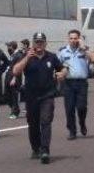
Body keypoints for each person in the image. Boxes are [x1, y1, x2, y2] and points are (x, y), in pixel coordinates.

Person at [13, 32, 67, 164]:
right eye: (37, 42)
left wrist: (62, 74)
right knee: (33, 124)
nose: (39, 44)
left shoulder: (51, 57)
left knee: (46, 121)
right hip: (31, 97)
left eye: (41, 42)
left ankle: (45, 150)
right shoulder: (26, 57)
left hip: (47, 95)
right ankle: (35, 148)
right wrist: (26, 58)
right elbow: (15, 71)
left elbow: (63, 69)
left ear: (45, 43)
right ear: (33, 43)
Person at [58, 29, 94, 140]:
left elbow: (93, 58)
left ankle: (82, 123)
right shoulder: (63, 51)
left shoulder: (84, 50)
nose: (73, 40)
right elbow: (57, 65)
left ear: (79, 39)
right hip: (68, 83)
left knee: (81, 107)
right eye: (71, 38)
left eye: (75, 38)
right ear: (68, 39)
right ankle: (72, 131)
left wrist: (83, 47)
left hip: (81, 83)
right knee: (69, 109)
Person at [5, 41, 24, 119]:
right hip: (8, 77)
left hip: (14, 78)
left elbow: (18, 68)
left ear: (12, 47)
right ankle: (14, 109)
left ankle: (15, 112)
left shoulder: (18, 56)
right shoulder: (12, 55)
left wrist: (14, 78)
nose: (7, 48)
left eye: (9, 46)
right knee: (8, 95)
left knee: (14, 96)